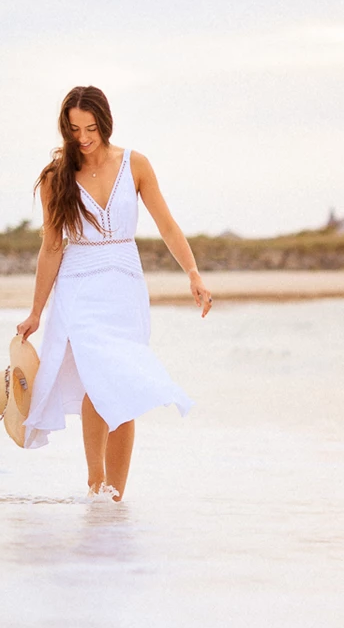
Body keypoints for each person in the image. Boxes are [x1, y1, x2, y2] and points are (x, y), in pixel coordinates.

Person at [15, 85, 210, 500]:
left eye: (90, 128)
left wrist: (192, 273)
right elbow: (51, 247)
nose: (82, 138)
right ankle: (94, 482)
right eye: (73, 130)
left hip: (124, 284)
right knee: (96, 381)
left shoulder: (135, 164)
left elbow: (168, 225)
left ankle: (115, 495)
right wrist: (36, 311)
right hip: (79, 285)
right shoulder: (57, 178)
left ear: (105, 122)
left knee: (120, 381)